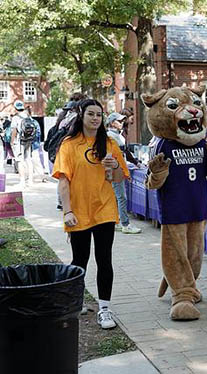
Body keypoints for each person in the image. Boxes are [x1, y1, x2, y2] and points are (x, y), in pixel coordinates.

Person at [53, 99, 129, 329]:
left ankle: (104, 309)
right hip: (78, 211)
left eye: (99, 114)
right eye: (91, 114)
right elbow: (63, 182)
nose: (95, 118)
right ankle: (75, 302)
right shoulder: (69, 144)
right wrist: (67, 211)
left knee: (104, 259)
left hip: (104, 209)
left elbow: (118, 179)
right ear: (82, 116)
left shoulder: (109, 143)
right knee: (80, 259)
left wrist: (113, 165)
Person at [106, 112, 142, 234]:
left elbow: (125, 153)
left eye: (122, 121)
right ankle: (125, 224)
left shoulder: (117, 136)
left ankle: (116, 221)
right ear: (112, 123)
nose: (122, 123)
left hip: (117, 169)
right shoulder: (111, 137)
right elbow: (118, 155)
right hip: (115, 170)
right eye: (119, 121)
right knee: (121, 197)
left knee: (117, 197)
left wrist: (135, 163)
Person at [10, 100, 35, 188]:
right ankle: (31, 180)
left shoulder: (15, 118)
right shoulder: (28, 116)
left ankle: (22, 181)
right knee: (28, 159)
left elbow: (14, 131)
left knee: (20, 160)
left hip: (19, 141)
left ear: (15, 108)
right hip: (28, 140)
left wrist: (12, 142)